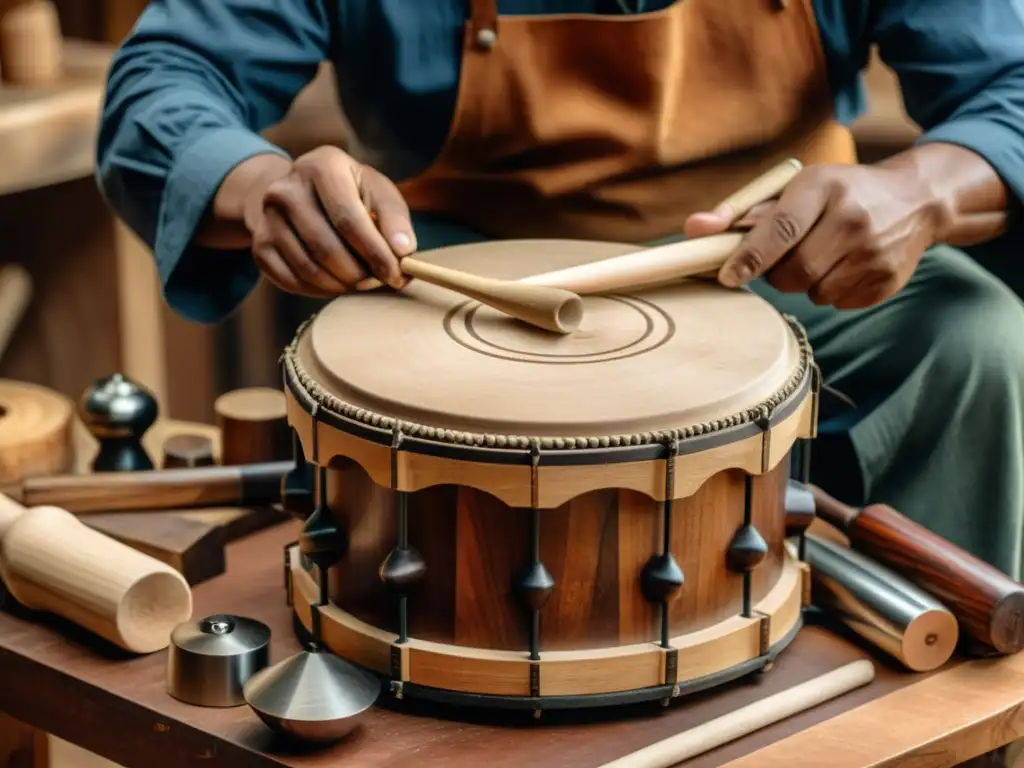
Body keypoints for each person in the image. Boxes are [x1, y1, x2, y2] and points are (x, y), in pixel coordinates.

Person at [97, 0, 1024, 577]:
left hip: (779, 259)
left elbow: (1011, 82)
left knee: (976, 336)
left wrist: (920, 188)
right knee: (436, 409)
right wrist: (262, 188)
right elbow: (163, 83)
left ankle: (938, 681)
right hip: (472, 288)